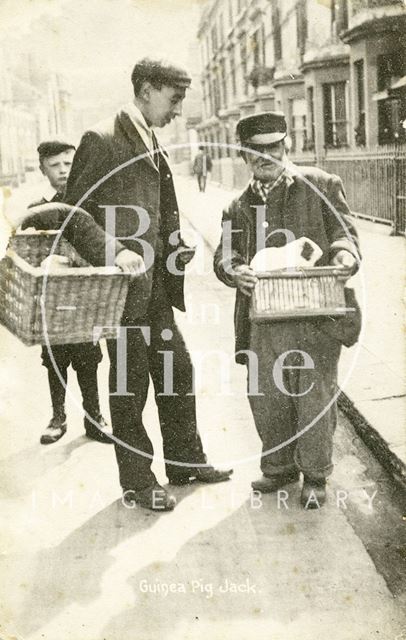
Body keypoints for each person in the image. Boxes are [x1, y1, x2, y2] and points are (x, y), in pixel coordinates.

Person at [62, 58, 232, 511]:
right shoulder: (100, 139)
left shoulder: (150, 137)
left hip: (154, 287)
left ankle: (184, 461)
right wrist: (116, 251)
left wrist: (176, 246)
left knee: (177, 370)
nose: (178, 110)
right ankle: (137, 481)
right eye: (174, 99)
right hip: (122, 292)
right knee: (129, 386)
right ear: (145, 89)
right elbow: (73, 213)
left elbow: (157, 210)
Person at [213, 112, 361, 509]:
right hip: (263, 317)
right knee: (268, 395)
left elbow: (345, 235)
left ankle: (314, 475)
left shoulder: (322, 185)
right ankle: (278, 467)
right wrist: (234, 270)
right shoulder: (237, 207)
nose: (267, 156)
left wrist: (345, 256)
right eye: (256, 151)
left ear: (287, 145)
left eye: (274, 147)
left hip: (318, 314)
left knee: (313, 395)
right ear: (244, 155)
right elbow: (223, 255)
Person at [22, 140, 111, 446]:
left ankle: (94, 415)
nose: (62, 171)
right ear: (43, 169)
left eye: (68, 164)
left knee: (88, 354)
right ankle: (58, 416)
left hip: (85, 292)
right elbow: (25, 250)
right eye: (54, 165)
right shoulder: (37, 209)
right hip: (53, 296)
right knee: (55, 355)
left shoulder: (88, 203)